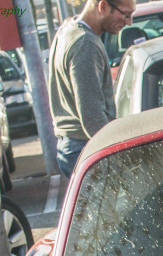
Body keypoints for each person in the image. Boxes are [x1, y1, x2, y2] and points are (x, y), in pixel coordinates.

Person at [48, 0, 134, 178]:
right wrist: (120, 155)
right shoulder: (86, 44)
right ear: (103, 7)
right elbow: (92, 117)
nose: (129, 22)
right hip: (86, 146)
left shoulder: (67, 29)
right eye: (126, 14)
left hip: (73, 146)